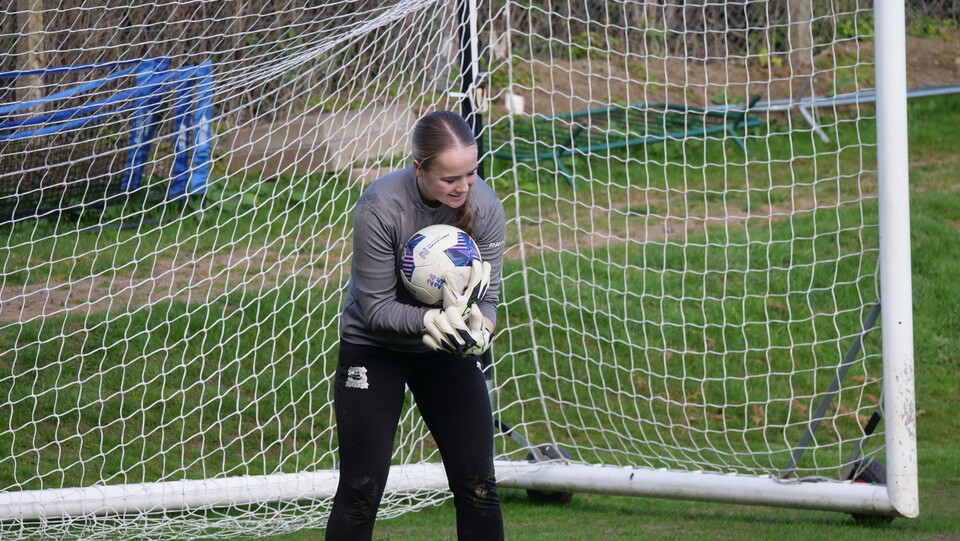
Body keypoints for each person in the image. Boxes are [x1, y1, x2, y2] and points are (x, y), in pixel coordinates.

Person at [326, 110, 507, 541]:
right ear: (419, 169)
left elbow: (489, 297)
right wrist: (431, 318)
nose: (464, 187)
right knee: (360, 490)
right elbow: (376, 309)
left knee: (479, 485)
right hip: (374, 351)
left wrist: (482, 327)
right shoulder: (380, 206)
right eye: (449, 179)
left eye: (471, 173)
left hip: (445, 355)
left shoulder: (485, 206)